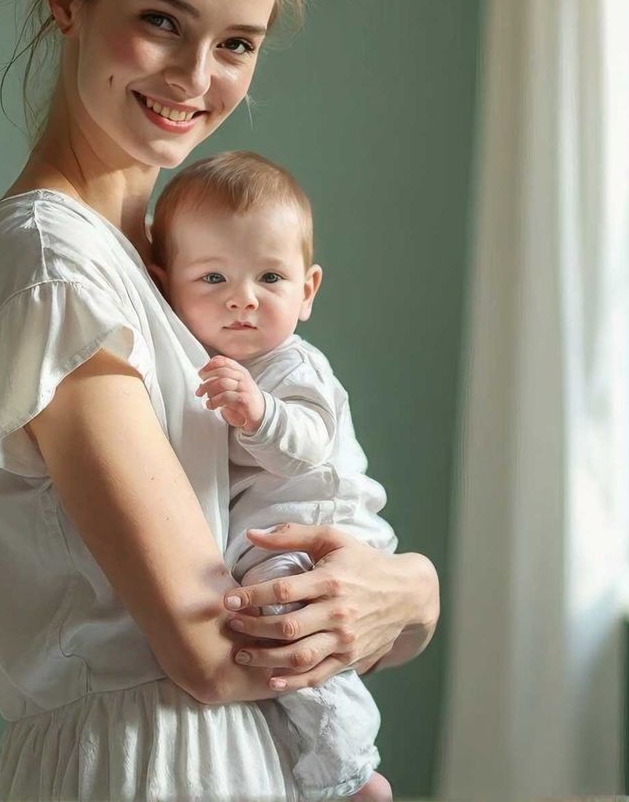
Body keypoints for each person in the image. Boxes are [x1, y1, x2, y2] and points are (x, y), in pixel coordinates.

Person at [0, 0, 441, 799]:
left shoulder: (169, 274)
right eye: (161, 20)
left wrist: (412, 598)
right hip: (145, 767)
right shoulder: (53, 266)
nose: (194, 79)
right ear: (66, 0)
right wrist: (412, 594)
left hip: (241, 758)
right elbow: (211, 648)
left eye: (237, 44)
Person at [150, 150, 396, 801]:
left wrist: (257, 413)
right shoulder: (204, 366)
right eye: (211, 279)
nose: (243, 299)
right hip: (272, 539)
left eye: (270, 277)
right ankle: (314, 767)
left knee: (297, 638)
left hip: (320, 527)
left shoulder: (292, 368)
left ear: (307, 291)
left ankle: (352, 774)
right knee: (274, 652)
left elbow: (305, 446)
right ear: (165, 284)